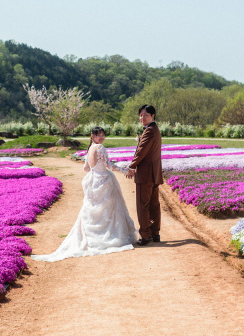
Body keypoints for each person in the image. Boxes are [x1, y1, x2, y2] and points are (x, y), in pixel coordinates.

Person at [31, 127, 137, 262]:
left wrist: (95, 170)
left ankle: (93, 237)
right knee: (109, 208)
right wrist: (125, 171)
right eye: (99, 135)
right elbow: (109, 165)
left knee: (95, 209)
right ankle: (108, 236)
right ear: (92, 136)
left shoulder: (90, 148)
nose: (102, 138)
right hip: (103, 179)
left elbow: (86, 168)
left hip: (93, 179)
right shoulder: (99, 147)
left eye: (103, 135)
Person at [125, 104, 163, 246]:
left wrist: (132, 166)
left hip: (146, 174)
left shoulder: (149, 131)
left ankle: (146, 235)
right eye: (141, 115)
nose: (142, 117)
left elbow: (141, 151)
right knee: (154, 205)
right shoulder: (155, 129)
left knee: (143, 205)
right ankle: (155, 233)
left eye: (146, 115)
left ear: (153, 116)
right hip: (154, 174)